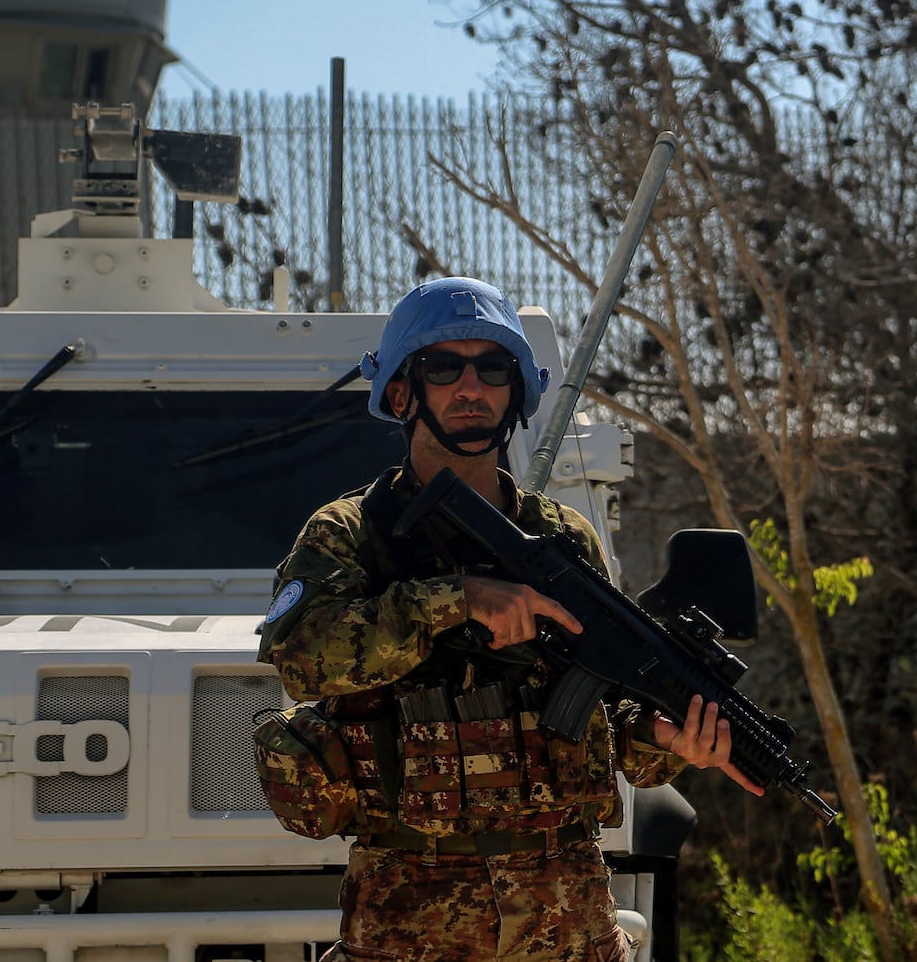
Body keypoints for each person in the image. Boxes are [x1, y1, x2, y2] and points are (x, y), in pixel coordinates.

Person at [259, 277, 761, 961]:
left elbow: (606, 713)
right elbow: (300, 655)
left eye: (492, 368)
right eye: (444, 367)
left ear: (515, 391)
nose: (472, 387)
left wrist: (668, 741)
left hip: (566, 920)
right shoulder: (352, 533)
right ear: (403, 392)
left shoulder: (565, 539)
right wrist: (456, 598)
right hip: (412, 920)